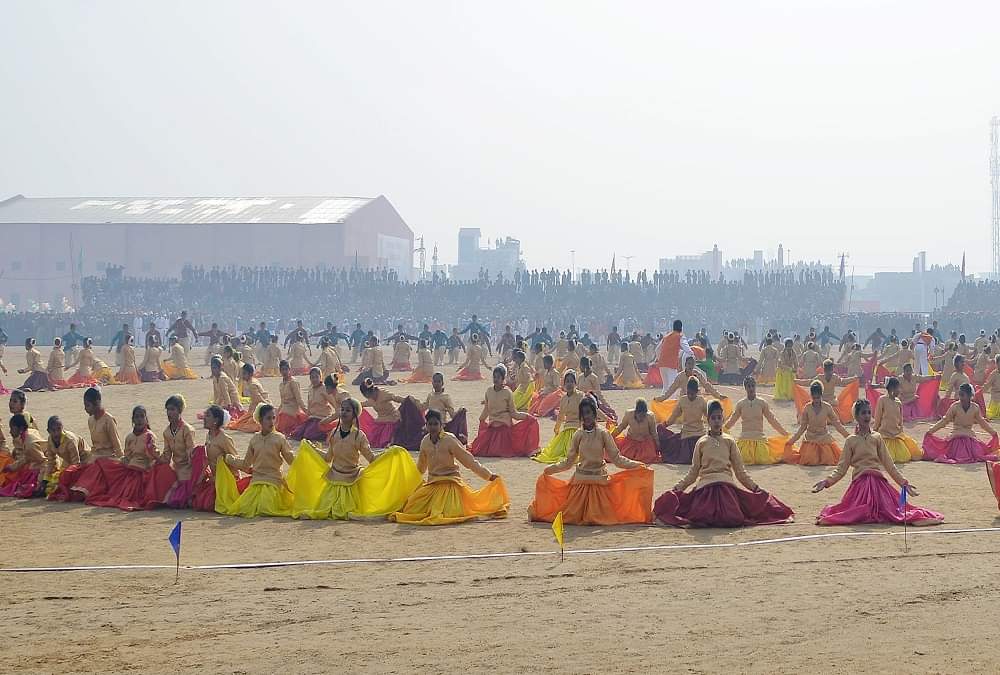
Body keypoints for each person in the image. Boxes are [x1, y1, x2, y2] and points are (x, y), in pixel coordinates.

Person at [654, 400, 793, 528]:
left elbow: (740, 472)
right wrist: (677, 488)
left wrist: (756, 489)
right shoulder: (701, 442)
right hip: (705, 490)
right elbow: (693, 473)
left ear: (723, 419)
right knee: (700, 517)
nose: (716, 421)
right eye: (713, 418)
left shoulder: (730, 441)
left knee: (732, 518)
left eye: (719, 418)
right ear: (708, 420)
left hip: (727, 489)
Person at [814, 399, 943, 526]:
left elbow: (889, 464)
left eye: (869, 413)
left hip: (878, 484)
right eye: (863, 413)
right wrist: (827, 482)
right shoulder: (850, 441)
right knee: (855, 512)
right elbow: (841, 469)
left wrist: (904, 483)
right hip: (860, 486)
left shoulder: (877, 437)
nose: (867, 416)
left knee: (894, 512)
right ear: (857, 416)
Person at [289, 398, 422, 520]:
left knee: (349, 513)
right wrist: (312, 449)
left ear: (354, 415)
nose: (344, 412)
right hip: (334, 481)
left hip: (352, 481)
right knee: (325, 511)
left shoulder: (359, 436)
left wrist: (389, 452)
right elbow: (328, 458)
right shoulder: (334, 434)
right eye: (342, 409)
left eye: (348, 410)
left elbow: (371, 458)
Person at [529, 395, 653, 525]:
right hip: (580, 485)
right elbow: (568, 462)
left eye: (588, 413)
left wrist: (638, 465)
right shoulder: (578, 434)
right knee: (567, 516)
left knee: (608, 516)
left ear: (594, 413)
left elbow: (617, 459)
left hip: (600, 483)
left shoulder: (603, 433)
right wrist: (550, 469)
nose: (586, 417)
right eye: (583, 414)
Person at [390, 409, 509, 525]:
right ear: (426, 425)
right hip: (433, 485)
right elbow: (420, 468)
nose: (433, 427)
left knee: (449, 512)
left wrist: (488, 475)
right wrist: (406, 481)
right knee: (411, 508)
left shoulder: (450, 440)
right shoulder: (425, 442)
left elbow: (468, 461)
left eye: (435, 424)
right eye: (430, 424)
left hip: (451, 484)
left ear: (441, 425)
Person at [81, 405, 176, 511]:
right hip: (130, 470)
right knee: (102, 463)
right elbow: (127, 456)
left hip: (144, 471)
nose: (139, 420)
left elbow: (154, 456)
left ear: (146, 419)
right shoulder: (129, 437)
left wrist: (151, 450)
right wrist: (123, 462)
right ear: (133, 420)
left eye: (141, 417)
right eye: (136, 417)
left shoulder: (149, 436)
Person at [215, 404, 296, 518]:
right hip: (256, 482)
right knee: (243, 507)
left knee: (265, 507)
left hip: (273, 482)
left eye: (273, 418)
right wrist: (229, 459)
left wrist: (306, 456)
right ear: (260, 420)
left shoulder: (279, 438)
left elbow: (291, 460)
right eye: (268, 418)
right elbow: (245, 465)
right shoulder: (254, 439)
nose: (272, 422)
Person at [469, 365, 539, 457]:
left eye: (498, 377)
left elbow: (514, 414)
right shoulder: (489, 391)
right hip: (492, 429)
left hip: (505, 430)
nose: (496, 379)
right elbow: (486, 410)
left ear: (503, 379)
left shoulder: (507, 393)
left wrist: (528, 417)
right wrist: (481, 421)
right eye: (494, 377)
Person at [922, 383, 999, 464]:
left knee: (978, 454)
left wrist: (993, 433)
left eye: (962, 395)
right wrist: (930, 431)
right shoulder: (954, 406)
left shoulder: (975, 407)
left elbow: (982, 423)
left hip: (970, 438)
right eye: (960, 395)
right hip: (955, 438)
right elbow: (944, 421)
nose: (960, 397)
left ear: (969, 395)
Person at [191, 405, 245, 512]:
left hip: (226, 478)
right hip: (214, 477)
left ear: (216, 420)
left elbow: (234, 458)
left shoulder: (224, 439)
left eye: (208, 416)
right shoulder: (209, 436)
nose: (204, 418)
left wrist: (248, 468)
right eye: (205, 415)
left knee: (209, 504)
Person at [724, 376, 789, 465]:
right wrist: (722, 430)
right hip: (744, 442)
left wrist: (784, 433)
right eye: (749, 386)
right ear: (745, 388)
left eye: (752, 386)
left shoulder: (762, 403)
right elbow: (732, 421)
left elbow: (772, 420)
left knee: (763, 460)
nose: (751, 388)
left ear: (755, 386)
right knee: (741, 459)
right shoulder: (741, 404)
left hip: (760, 441)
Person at [783, 380, 850, 465]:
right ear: (811, 396)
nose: (816, 400)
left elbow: (837, 424)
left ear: (821, 395)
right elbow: (802, 428)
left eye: (818, 398)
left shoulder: (827, 407)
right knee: (809, 460)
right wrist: (792, 441)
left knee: (829, 459)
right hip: (810, 440)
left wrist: (848, 436)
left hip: (824, 439)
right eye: (814, 398)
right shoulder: (807, 408)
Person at [656, 376, 708, 464]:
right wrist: (664, 425)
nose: (690, 396)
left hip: (700, 434)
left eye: (692, 394)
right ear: (686, 391)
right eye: (688, 393)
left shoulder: (702, 400)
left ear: (697, 392)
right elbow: (674, 416)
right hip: (686, 434)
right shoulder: (682, 400)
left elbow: (709, 417)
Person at [160, 395, 199, 507]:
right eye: (167, 409)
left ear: (180, 411)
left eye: (172, 409)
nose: (169, 413)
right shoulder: (166, 432)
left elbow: (190, 452)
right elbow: (167, 456)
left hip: (187, 468)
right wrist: (154, 455)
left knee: (176, 500)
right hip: (176, 468)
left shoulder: (187, 429)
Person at [872, 377, 923, 463]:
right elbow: (878, 417)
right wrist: (874, 431)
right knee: (885, 457)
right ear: (892, 388)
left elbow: (900, 420)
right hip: (884, 436)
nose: (900, 390)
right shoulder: (882, 400)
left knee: (907, 456)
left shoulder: (898, 402)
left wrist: (901, 432)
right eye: (898, 388)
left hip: (896, 436)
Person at [358, 378, 419, 449]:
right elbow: (363, 404)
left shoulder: (383, 393)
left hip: (392, 418)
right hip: (380, 420)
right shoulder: (370, 399)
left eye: (365, 394)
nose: (365, 396)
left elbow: (396, 398)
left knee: (385, 440)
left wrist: (409, 401)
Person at [0, 413, 47, 498]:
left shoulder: (29, 443)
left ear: (20, 428)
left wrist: (40, 482)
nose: (10, 431)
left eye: (12, 428)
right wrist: (12, 467)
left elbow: (44, 462)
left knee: (21, 487)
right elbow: (27, 457)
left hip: (42, 468)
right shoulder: (27, 434)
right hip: (36, 464)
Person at [289, 368, 340, 442]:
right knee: (296, 434)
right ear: (310, 378)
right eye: (312, 377)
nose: (314, 379)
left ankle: (328, 432)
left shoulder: (324, 388)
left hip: (321, 419)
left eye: (316, 377)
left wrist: (332, 417)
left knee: (308, 435)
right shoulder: (310, 389)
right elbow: (309, 406)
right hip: (312, 418)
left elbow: (335, 404)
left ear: (320, 377)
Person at [40, 415, 86, 497]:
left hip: (84, 460)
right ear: (48, 431)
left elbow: (76, 464)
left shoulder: (70, 440)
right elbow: (51, 461)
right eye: (53, 430)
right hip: (68, 462)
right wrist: (45, 479)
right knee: (51, 484)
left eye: (59, 429)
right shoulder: (50, 440)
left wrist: (67, 475)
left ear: (62, 428)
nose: (57, 433)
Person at [610, 398, 660, 463]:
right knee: (624, 456)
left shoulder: (650, 416)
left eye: (643, 415)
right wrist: (610, 438)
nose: (641, 417)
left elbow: (654, 432)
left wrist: (657, 446)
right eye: (640, 415)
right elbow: (621, 427)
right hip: (630, 442)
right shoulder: (629, 414)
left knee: (648, 458)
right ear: (636, 412)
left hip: (645, 443)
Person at [274, 359, 307, 434]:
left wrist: (307, 411)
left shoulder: (293, 382)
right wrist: (276, 413)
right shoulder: (281, 385)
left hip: (292, 411)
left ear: (289, 370)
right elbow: (282, 402)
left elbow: (299, 400)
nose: (284, 372)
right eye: (282, 370)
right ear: (280, 371)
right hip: (283, 410)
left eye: (286, 369)